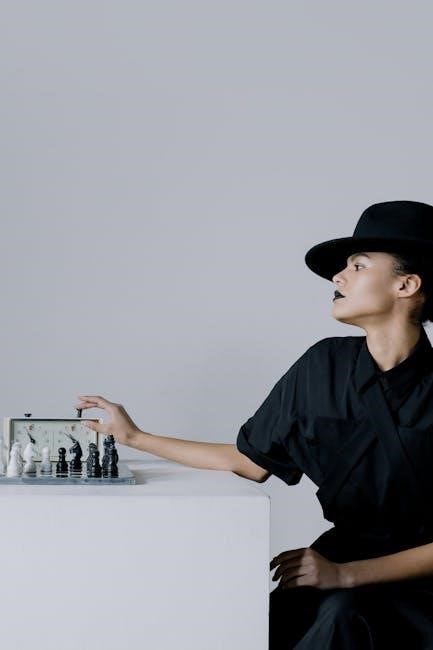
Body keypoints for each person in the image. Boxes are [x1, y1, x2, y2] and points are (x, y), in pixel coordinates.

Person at [76, 199, 433, 648]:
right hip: (334, 565)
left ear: (406, 284)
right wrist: (135, 437)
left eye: (358, 266)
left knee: (344, 617)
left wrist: (346, 575)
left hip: (414, 579)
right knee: (250, 621)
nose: (338, 278)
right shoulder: (321, 365)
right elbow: (250, 461)